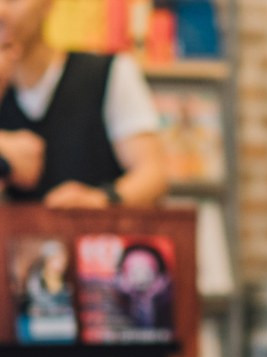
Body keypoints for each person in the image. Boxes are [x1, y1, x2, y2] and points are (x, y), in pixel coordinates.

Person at [0, 0, 168, 207]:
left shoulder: (106, 73)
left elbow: (153, 173)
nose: (3, 10)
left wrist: (100, 200)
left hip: (95, 235)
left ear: (48, 4)